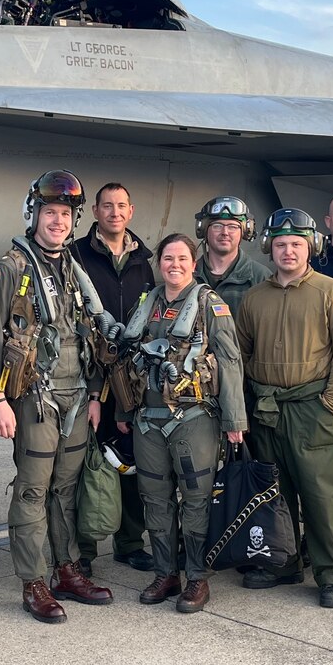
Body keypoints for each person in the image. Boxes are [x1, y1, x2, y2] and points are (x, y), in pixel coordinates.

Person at [0, 169, 117, 624]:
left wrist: (96, 392)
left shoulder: (71, 270)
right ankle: (32, 581)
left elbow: (87, 333)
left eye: (64, 214)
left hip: (76, 396)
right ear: (33, 214)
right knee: (33, 489)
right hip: (35, 398)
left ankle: (66, 569)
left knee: (66, 489)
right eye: (49, 212)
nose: (57, 221)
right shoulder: (12, 268)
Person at [235, 209, 333, 608]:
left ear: (310, 246)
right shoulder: (255, 297)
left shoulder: (331, 292)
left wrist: (331, 404)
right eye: (281, 244)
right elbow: (241, 352)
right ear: (269, 247)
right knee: (277, 493)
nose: (288, 251)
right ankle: (283, 563)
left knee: (323, 495)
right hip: (268, 408)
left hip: (312, 408)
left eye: (296, 244)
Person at [123, 234, 247, 612]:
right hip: (148, 418)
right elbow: (125, 357)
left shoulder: (211, 305)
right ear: (158, 263)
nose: (174, 265)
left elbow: (229, 362)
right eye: (167, 259)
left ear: (193, 263)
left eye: (181, 258)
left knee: (195, 500)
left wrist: (234, 419)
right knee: (155, 499)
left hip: (194, 418)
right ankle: (165, 572)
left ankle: (196, 577)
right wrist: (121, 413)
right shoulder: (148, 303)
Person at [69, 181, 155, 572]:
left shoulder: (144, 261)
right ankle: (84, 549)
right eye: (107, 206)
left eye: (121, 205)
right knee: (89, 461)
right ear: (95, 212)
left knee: (132, 461)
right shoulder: (77, 256)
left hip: (133, 378)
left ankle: (130, 542)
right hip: (91, 374)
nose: (115, 212)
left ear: (130, 211)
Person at [193, 196, 271, 314]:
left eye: (232, 227)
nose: (225, 233)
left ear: (244, 231)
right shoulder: (189, 274)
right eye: (217, 226)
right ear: (204, 229)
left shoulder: (260, 277)